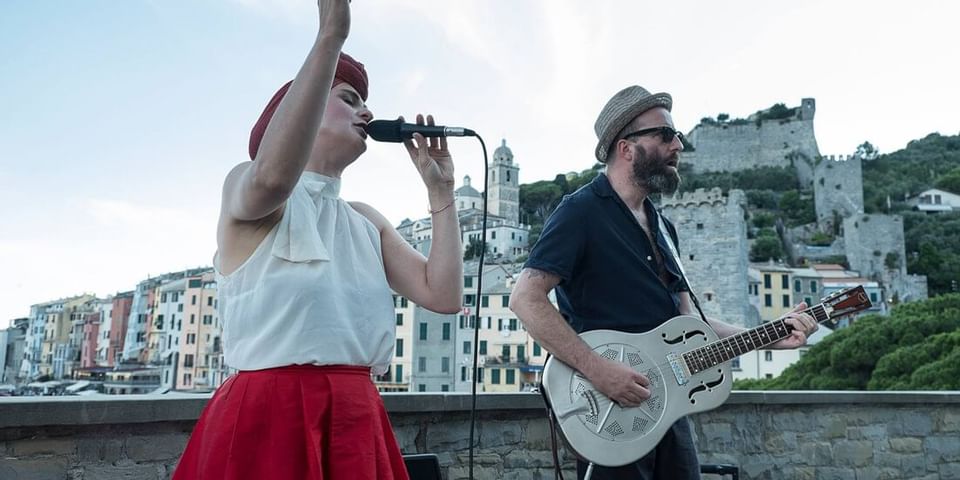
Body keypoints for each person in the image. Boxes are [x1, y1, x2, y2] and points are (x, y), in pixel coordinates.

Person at [172, 1, 463, 479]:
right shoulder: (246, 183)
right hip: (271, 417)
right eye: (348, 98)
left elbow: (444, 294)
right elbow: (272, 179)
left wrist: (441, 193)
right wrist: (330, 38)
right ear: (298, 111)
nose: (366, 110)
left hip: (356, 414)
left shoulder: (365, 220)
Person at [508, 85, 818, 480]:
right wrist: (600, 370)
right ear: (626, 147)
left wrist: (770, 335)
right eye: (666, 135)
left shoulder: (664, 226)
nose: (679, 146)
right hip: (608, 407)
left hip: (668, 407)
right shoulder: (580, 211)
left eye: (679, 136)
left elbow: (688, 327)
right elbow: (525, 299)